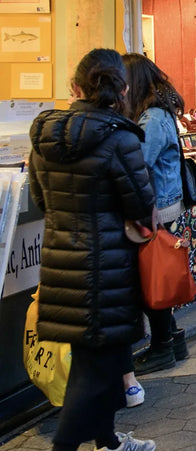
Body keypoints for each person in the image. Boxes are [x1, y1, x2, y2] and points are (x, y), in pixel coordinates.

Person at [29, 48, 158, 451]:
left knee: (103, 363)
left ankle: (109, 443)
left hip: (60, 269)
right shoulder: (120, 137)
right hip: (106, 273)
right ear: (122, 90)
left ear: (75, 87)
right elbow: (142, 206)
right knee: (91, 376)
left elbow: (40, 200)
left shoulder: (43, 138)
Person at [119, 54, 191, 401]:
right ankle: (171, 341)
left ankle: (163, 344)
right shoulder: (158, 114)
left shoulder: (152, 118)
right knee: (154, 274)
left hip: (156, 209)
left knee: (152, 276)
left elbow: (138, 163)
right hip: (161, 205)